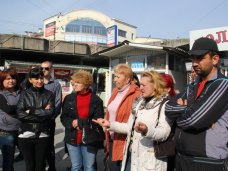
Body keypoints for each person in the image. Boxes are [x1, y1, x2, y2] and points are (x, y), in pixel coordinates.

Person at [165, 37, 228, 171]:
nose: (194, 63)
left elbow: (194, 119)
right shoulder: (192, 85)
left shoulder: (223, 84)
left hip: (207, 162)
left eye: (199, 58)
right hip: (182, 158)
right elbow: (168, 108)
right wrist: (189, 108)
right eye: (193, 58)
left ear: (215, 59)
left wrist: (181, 115)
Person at [93, 70, 172, 171]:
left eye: (144, 85)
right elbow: (128, 127)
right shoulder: (139, 102)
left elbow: (164, 133)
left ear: (155, 86)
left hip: (149, 160)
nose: (141, 87)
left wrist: (147, 130)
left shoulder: (165, 104)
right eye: (141, 84)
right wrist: (110, 124)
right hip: (131, 155)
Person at [61, 70, 104, 171]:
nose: (74, 84)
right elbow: (64, 117)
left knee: (89, 167)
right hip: (72, 137)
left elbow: (98, 120)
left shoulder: (97, 100)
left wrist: (80, 122)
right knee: (76, 166)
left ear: (86, 84)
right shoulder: (69, 98)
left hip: (90, 138)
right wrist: (71, 123)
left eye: (78, 82)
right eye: (74, 82)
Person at [16, 67, 55, 171]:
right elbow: (20, 114)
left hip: (43, 134)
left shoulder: (49, 94)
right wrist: (42, 112)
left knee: (40, 166)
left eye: (41, 78)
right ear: (30, 80)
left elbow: (50, 113)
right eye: (36, 78)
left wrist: (31, 110)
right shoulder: (24, 94)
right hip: (25, 134)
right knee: (30, 166)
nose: (39, 81)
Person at [104, 64, 141, 171]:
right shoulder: (116, 91)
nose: (114, 80)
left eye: (117, 77)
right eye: (114, 77)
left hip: (124, 142)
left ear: (127, 79)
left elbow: (134, 121)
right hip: (111, 138)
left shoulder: (136, 94)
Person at [41, 61, 62, 171]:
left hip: (49, 120)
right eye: (42, 68)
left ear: (51, 70)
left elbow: (58, 103)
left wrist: (52, 117)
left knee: (49, 145)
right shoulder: (35, 82)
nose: (43, 70)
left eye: (46, 68)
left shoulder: (56, 84)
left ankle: (52, 167)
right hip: (36, 120)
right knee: (39, 145)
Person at [0, 68, 21, 171]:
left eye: (13, 78)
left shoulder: (21, 92)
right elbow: (8, 109)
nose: (11, 81)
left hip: (22, 130)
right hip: (6, 132)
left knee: (30, 157)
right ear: (2, 80)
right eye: (7, 78)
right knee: (8, 161)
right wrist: (23, 108)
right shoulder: (1, 94)